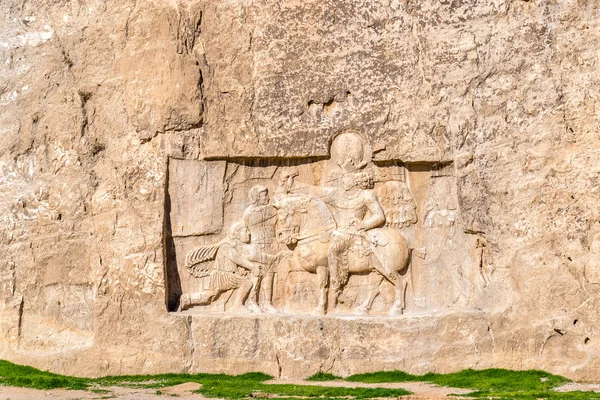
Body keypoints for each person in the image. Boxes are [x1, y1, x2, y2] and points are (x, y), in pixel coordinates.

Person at [179, 222, 262, 313]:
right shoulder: (226, 247)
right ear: (237, 234)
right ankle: (237, 306)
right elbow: (237, 259)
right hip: (224, 276)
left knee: (209, 296)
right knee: (247, 283)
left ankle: (187, 299)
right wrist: (251, 266)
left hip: (222, 276)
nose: (249, 233)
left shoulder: (231, 246)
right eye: (245, 231)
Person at [243, 185, 280, 313]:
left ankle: (267, 303)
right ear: (257, 197)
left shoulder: (266, 210)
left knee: (269, 275)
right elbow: (262, 216)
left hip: (271, 244)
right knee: (257, 275)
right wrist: (277, 204)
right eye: (264, 195)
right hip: (258, 246)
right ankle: (252, 302)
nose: (267, 197)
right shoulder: (250, 212)